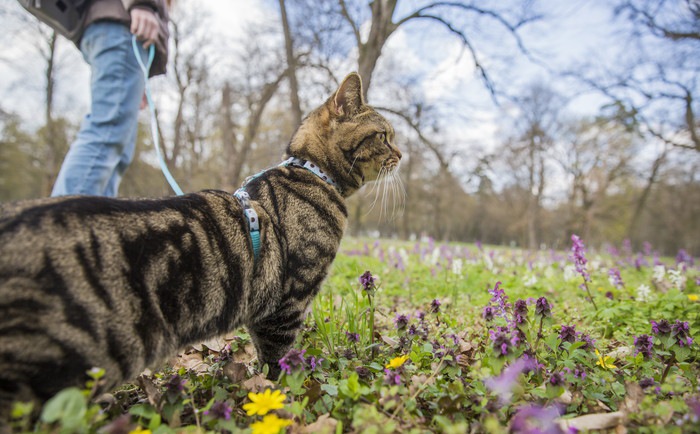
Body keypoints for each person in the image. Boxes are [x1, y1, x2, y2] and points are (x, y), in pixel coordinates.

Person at [51, 0, 170, 197]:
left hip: (119, 31)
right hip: (123, 27)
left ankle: (96, 221)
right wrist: (142, 4)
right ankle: (60, 224)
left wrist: (141, 80)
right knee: (106, 136)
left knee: (117, 153)